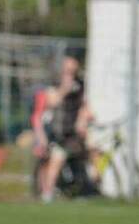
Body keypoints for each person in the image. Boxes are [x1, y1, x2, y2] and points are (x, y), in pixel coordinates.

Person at [33, 55, 95, 202]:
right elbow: (51, 102)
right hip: (58, 131)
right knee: (56, 160)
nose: (71, 74)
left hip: (74, 132)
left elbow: (83, 105)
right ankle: (47, 193)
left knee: (83, 160)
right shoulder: (55, 85)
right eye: (68, 70)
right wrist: (64, 90)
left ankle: (82, 191)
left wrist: (84, 118)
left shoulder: (79, 85)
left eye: (73, 71)